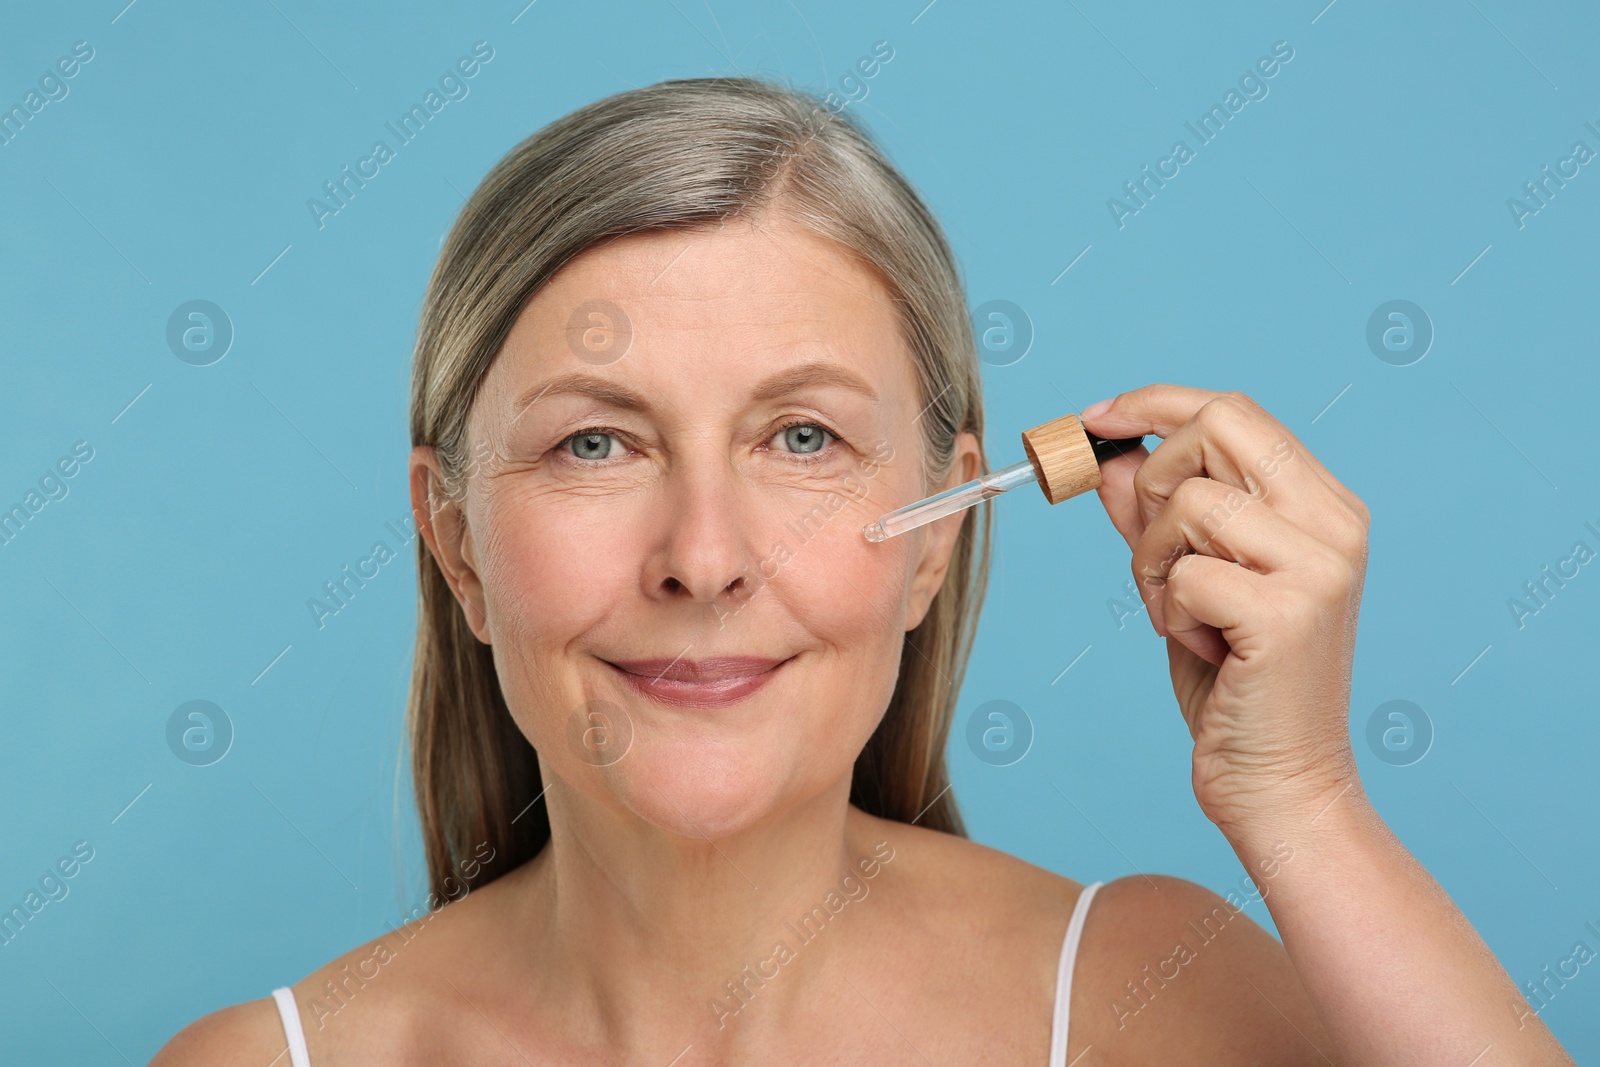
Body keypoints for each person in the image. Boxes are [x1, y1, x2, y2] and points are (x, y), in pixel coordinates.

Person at [152, 76, 1576, 1066]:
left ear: (941, 530)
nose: (704, 558)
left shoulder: (1144, 1001)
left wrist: (1305, 806)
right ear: (455, 540)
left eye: (804, 436)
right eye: (595, 444)